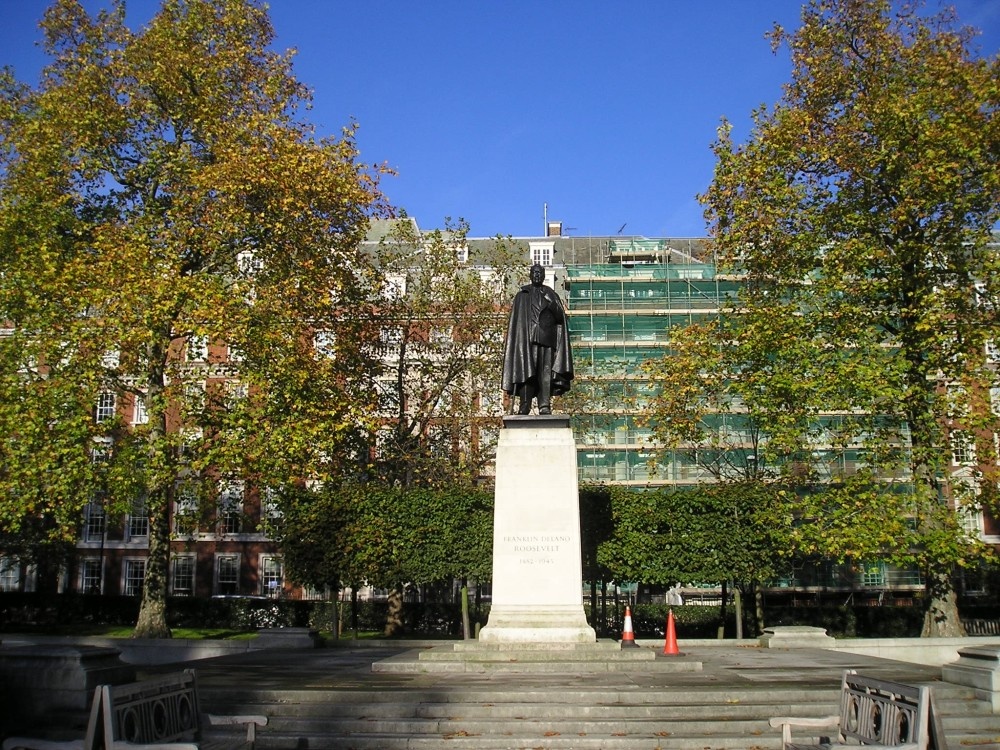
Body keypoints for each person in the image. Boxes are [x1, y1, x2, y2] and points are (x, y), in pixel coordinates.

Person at [501, 263, 573, 414]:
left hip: (547, 339)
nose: (537, 275)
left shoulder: (551, 294)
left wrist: (552, 303)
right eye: (534, 273)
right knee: (526, 372)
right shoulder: (522, 296)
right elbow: (516, 323)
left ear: (544, 276)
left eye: (540, 273)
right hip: (526, 340)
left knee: (545, 373)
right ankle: (525, 404)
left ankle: (544, 405)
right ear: (530, 275)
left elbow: (560, 317)